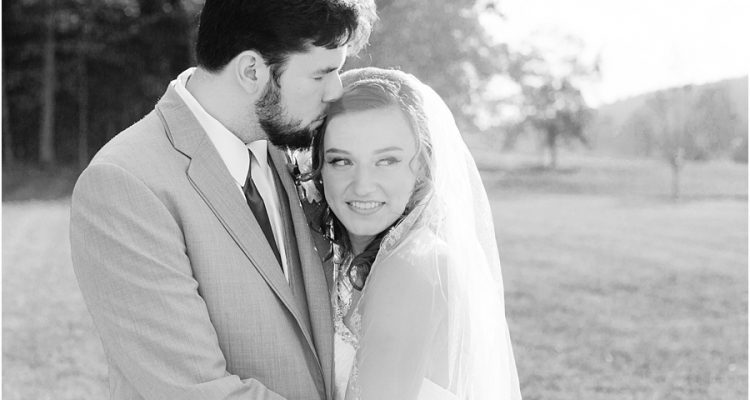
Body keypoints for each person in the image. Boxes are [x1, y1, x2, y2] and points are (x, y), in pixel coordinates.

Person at [69, 1, 376, 399]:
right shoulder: (125, 184)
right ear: (251, 71)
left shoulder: (295, 147)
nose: (336, 92)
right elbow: (196, 391)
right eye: (321, 74)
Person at [304, 68, 522, 399]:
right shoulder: (362, 258)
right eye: (341, 161)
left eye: (386, 161)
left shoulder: (411, 267)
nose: (362, 185)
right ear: (319, 167)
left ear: (420, 166)